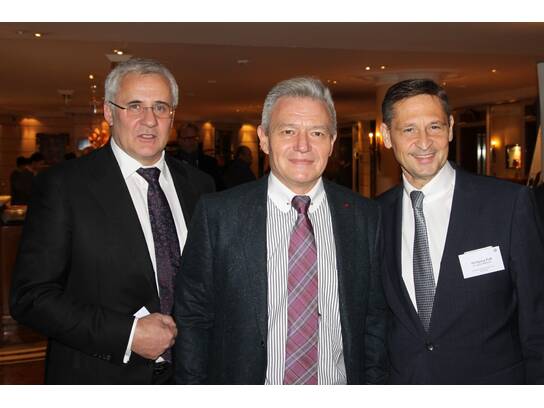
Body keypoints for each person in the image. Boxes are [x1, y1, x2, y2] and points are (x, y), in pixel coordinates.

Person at [10, 58, 214, 384]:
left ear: (172, 116)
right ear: (109, 112)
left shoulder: (201, 186)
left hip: (191, 376)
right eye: (135, 106)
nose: (150, 120)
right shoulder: (63, 186)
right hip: (100, 377)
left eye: (161, 107)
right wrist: (128, 334)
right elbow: (31, 297)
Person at [174, 77, 388, 384]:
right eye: (288, 131)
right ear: (264, 139)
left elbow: (374, 320)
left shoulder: (365, 217)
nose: (303, 145)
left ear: (331, 142)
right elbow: (193, 316)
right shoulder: (218, 215)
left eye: (316, 132)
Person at [377, 78, 544, 384]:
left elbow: (537, 318)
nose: (424, 142)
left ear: (451, 128)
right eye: (409, 129)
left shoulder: (508, 204)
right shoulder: (375, 215)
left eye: (435, 127)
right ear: (387, 135)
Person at [175, 123, 223, 190]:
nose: (192, 142)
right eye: (187, 138)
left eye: (195, 138)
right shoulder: (172, 163)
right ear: (179, 140)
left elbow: (219, 188)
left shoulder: (210, 163)